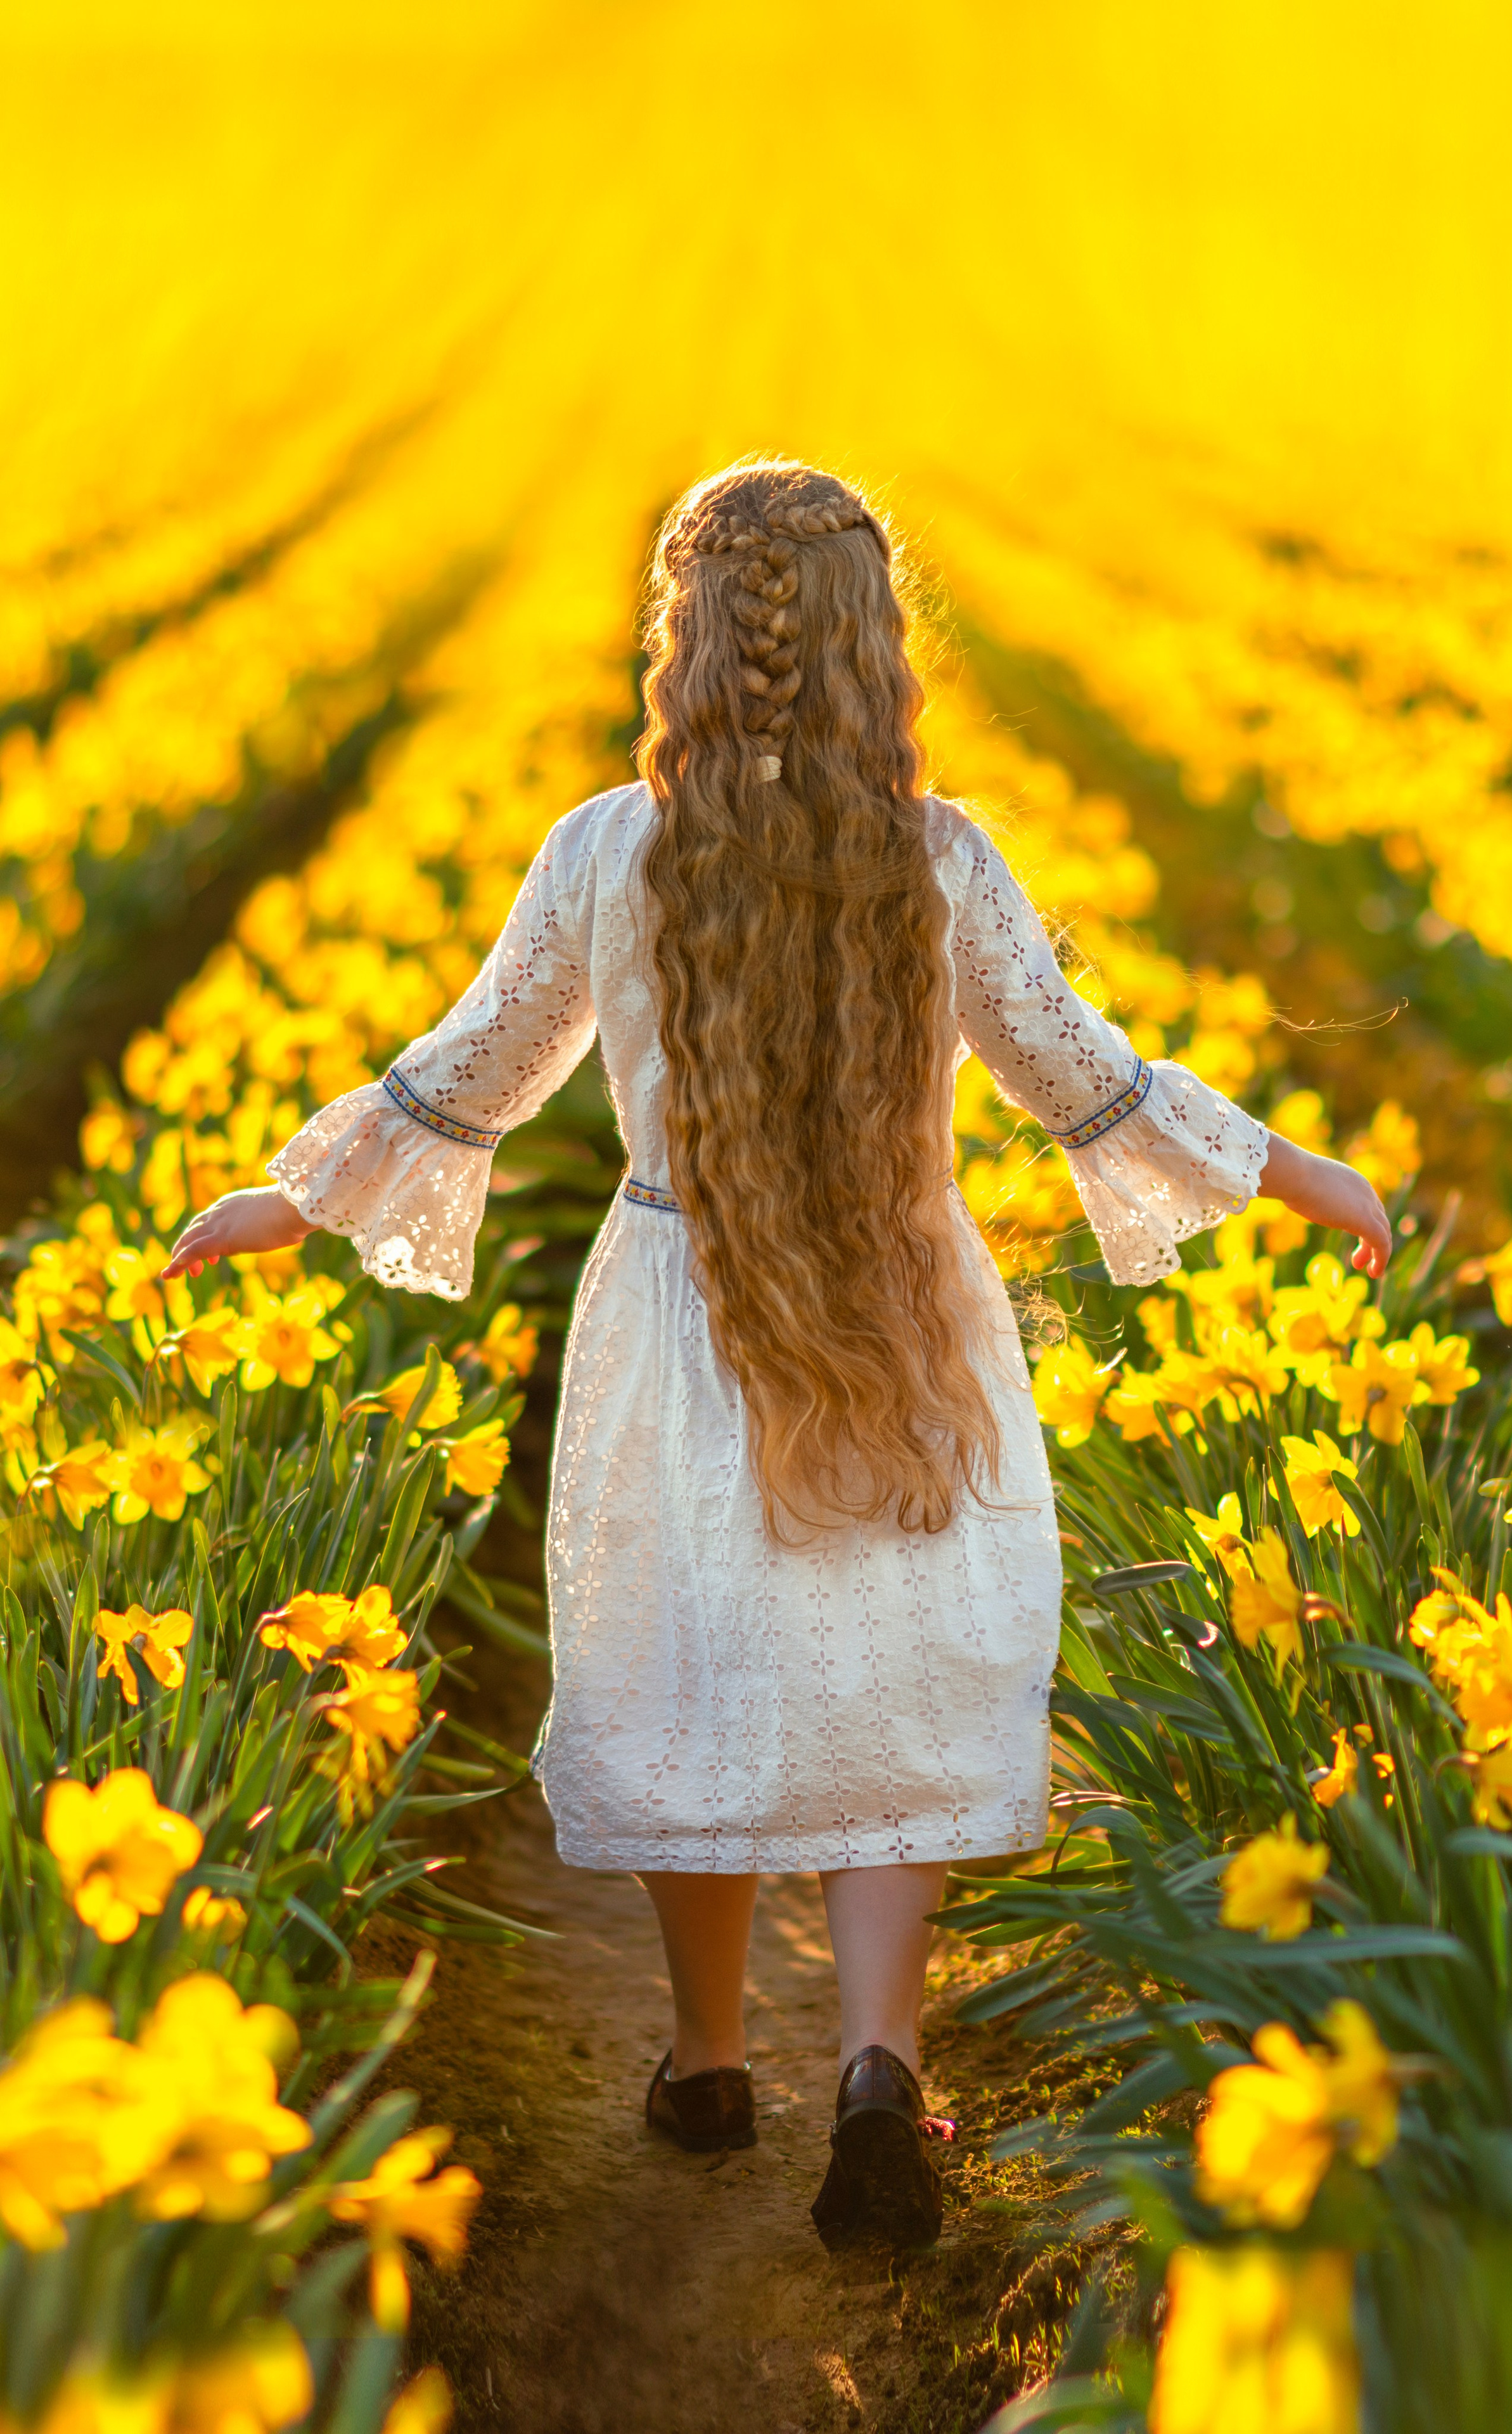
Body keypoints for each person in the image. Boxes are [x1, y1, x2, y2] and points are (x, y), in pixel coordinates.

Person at [163, 459, 1388, 2248]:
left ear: (683, 640)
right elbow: (1086, 1080)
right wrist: (1287, 1165)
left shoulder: (611, 851)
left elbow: (476, 1067)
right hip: (896, 1303)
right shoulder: (941, 859)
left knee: (684, 1674)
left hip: (679, 1311)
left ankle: (711, 2057)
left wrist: (293, 1194)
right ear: (878, 647)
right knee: (891, 1679)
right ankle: (882, 2065)